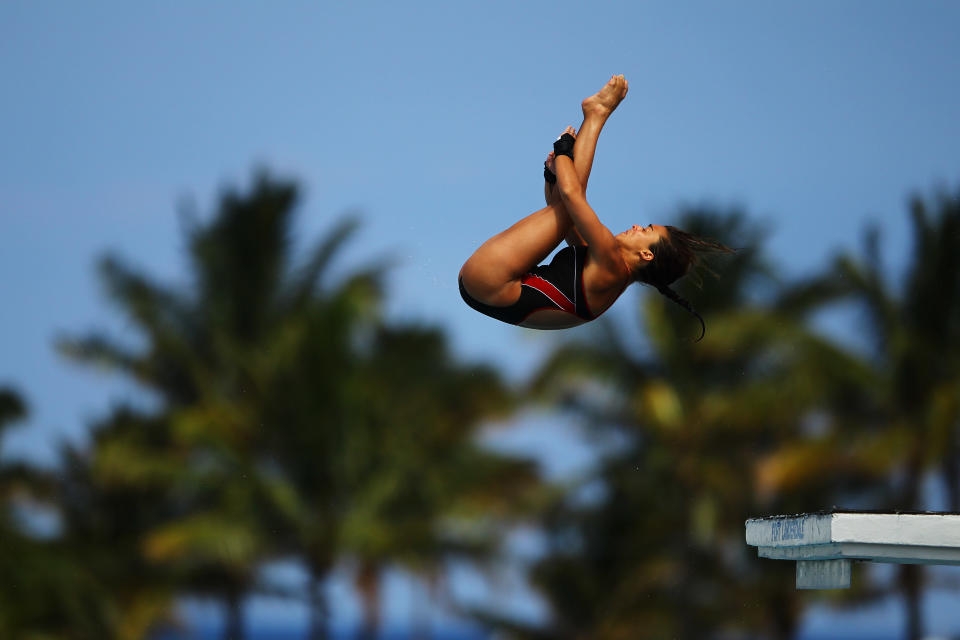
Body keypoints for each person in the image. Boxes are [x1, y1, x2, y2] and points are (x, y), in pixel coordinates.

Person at [458, 75, 732, 339]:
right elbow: (559, 208)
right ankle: (596, 114)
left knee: (571, 206)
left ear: (647, 255)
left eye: (647, 229)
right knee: (566, 212)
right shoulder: (605, 269)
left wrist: (565, 150)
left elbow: (572, 196)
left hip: (490, 282)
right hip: (482, 289)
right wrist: (552, 175)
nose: (637, 226)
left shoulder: (613, 265)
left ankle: (597, 114)